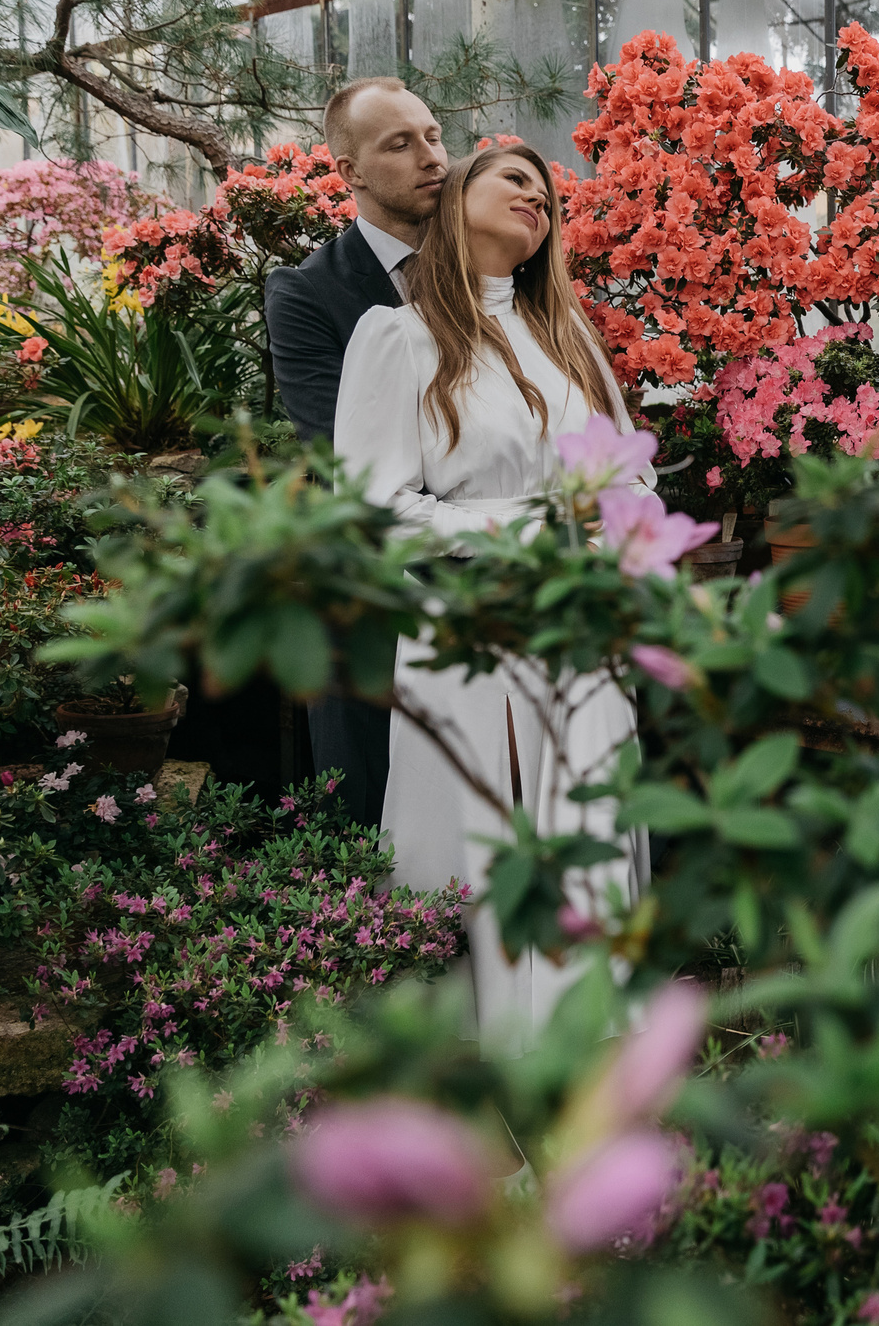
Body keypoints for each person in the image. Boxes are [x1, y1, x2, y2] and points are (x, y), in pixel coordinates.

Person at [331, 139, 649, 1042]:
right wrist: (529, 530)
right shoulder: (400, 337)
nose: (536, 197)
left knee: (585, 828)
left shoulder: (568, 337)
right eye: (515, 178)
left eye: (547, 194)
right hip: (476, 624)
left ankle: (588, 1048)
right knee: (490, 835)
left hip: (582, 623)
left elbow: (630, 473)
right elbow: (376, 511)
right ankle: (488, 1060)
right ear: (454, 199)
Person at [265, 77, 448, 827]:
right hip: (372, 574)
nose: (431, 156)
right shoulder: (306, 292)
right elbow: (338, 449)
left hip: (497, 566)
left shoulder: (492, 270)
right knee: (370, 805)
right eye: (400, 144)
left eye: (433, 135)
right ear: (351, 171)